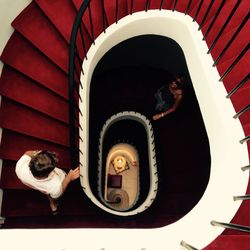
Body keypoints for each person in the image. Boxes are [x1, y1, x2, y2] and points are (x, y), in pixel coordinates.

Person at [15, 150, 80, 215]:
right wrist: (68, 178)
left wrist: (38, 155)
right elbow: (57, 195)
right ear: (48, 173)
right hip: (51, 187)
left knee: (47, 191)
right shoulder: (55, 186)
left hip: (37, 185)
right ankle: (53, 204)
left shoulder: (20, 167)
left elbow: (27, 153)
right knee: (52, 194)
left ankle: (52, 205)